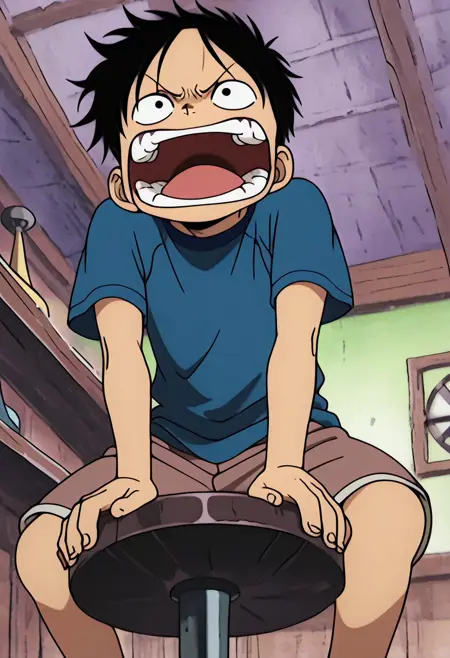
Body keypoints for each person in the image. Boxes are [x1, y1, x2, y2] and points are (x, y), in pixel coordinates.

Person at [15, 4, 431, 657]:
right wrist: (131, 473)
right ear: (124, 185)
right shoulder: (120, 226)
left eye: (226, 96)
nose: (191, 113)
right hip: (166, 448)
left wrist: (286, 465)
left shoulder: (293, 207)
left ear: (279, 163)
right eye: (159, 106)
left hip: (297, 434)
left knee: (392, 516)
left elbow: (296, 342)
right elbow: (123, 354)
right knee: (41, 550)